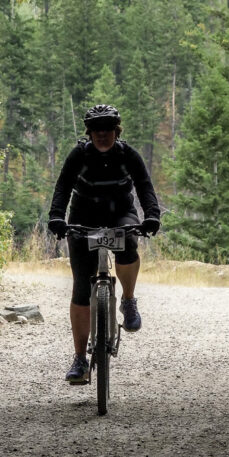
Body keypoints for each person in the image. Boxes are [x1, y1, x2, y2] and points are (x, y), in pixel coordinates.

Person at [48, 103, 160, 384]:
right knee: (81, 288)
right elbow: (62, 187)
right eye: (96, 130)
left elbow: (145, 186)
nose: (101, 134)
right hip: (83, 216)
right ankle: (79, 359)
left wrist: (152, 215)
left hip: (120, 212)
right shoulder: (79, 155)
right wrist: (56, 217)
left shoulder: (127, 155)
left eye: (107, 129)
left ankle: (129, 300)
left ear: (116, 130)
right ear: (89, 132)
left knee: (129, 244)